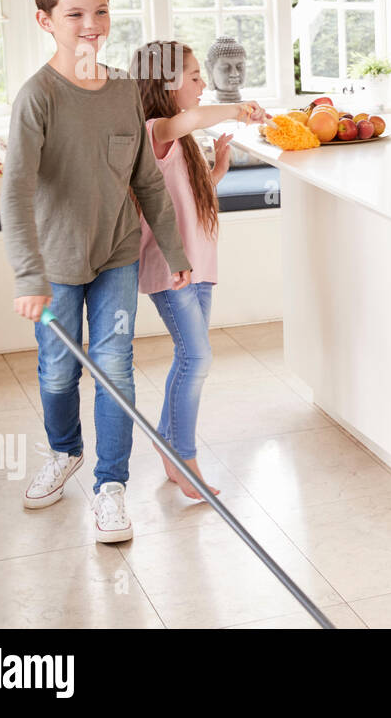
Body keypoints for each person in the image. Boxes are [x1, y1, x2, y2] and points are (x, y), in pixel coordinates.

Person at [2, 0, 192, 543]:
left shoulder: (125, 94)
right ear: (46, 20)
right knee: (58, 372)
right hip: (56, 266)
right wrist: (28, 277)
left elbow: (147, 181)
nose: (92, 24)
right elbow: (16, 190)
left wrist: (174, 249)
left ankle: (111, 487)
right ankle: (65, 452)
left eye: (101, 10)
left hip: (116, 253)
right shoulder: (37, 98)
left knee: (115, 369)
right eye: (76, 13)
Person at [131, 41, 267, 500]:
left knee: (188, 356)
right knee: (198, 357)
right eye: (193, 76)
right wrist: (239, 109)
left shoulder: (181, 141)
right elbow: (189, 118)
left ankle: (166, 441)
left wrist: (221, 167)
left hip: (198, 266)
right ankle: (184, 457)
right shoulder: (156, 129)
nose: (202, 83)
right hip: (171, 268)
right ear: (167, 83)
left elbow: (188, 197)